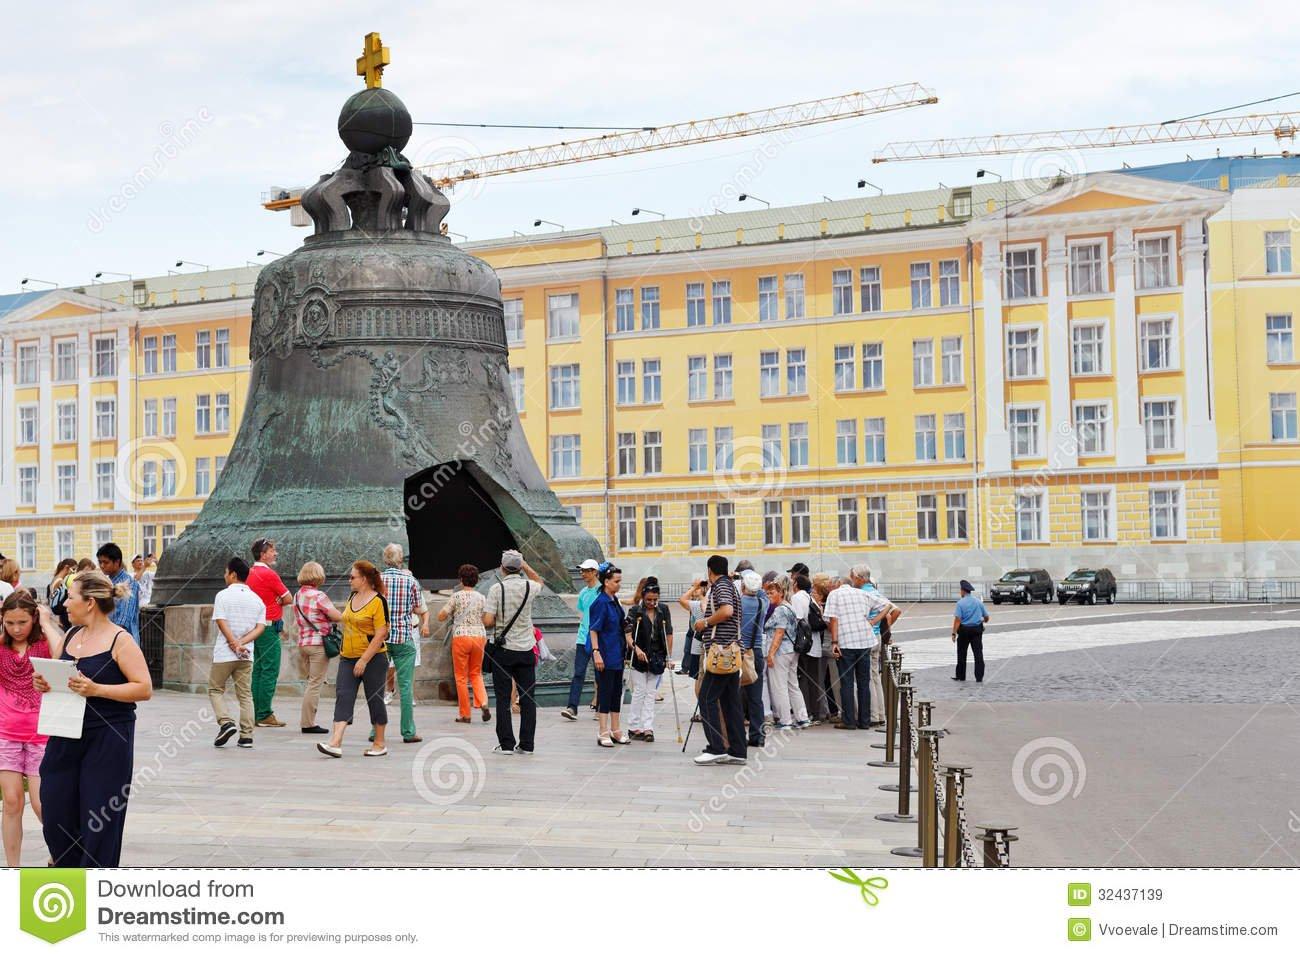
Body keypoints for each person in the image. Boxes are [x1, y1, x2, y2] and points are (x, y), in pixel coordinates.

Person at [34, 570, 152, 866]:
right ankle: (67, 869)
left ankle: (95, 888)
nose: (65, 605)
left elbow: (144, 688)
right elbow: (63, 676)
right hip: (65, 734)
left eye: (71, 598)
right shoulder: (72, 635)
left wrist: (97, 689)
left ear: (89, 603)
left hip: (108, 738)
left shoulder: (119, 640)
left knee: (99, 819)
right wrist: (45, 682)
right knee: (55, 811)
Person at [0, 592, 60, 866]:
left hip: (41, 734)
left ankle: (60, 853)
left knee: (42, 803)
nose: (15, 628)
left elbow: (65, 654)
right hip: (6, 733)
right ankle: (13, 868)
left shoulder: (45, 644)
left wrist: (47, 622)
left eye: (22, 622)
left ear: (33, 618)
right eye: (9, 622)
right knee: (11, 802)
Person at [317, 561, 389, 758]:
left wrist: (364, 660)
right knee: (343, 696)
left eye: (352, 577)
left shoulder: (378, 601)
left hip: (373, 658)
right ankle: (335, 742)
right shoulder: (352, 596)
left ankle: (379, 743)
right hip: (347, 657)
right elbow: (346, 620)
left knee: (374, 699)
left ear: (364, 579)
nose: (349, 580)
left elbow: (381, 633)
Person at [482, 550, 542, 755]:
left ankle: (506, 744)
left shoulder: (496, 589)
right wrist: (525, 564)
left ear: (502, 567)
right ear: (519, 567)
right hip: (526, 649)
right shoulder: (530, 586)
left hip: (503, 651)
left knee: (502, 698)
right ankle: (527, 744)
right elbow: (539, 580)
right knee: (528, 698)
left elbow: (489, 621)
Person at [825, 565, 894, 730]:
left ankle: (849, 721)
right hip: (865, 641)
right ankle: (864, 721)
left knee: (847, 683)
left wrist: (834, 643)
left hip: (846, 642)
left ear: (840, 584)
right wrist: (873, 621)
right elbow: (888, 606)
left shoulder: (834, 595)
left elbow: (833, 619)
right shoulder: (863, 593)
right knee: (864, 682)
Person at [692, 555, 746, 766]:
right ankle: (738, 750)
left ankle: (716, 748)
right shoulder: (731, 585)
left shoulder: (720, 586)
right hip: (731, 651)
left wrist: (704, 622)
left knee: (706, 698)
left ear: (710, 570)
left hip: (720, 651)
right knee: (731, 702)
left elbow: (727, 611)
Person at [208, 558, 266, 750]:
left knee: (216, 689)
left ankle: (226, 722)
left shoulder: (222, 596)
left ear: (233, 574)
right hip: (246, 655)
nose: (225, 576)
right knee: (245, 694)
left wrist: (233, 643)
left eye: (226, 572)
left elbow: (221, 621)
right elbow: (260, 628)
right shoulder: (257, 599)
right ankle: (246, 736)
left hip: (225, 654)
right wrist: (242, 643)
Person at [380, 543, 428, 744]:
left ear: (385, 559)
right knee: (406, 686)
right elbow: (418, 608)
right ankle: (408, 731)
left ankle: (376, 732)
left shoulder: (378, 580)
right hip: (404, 637)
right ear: (401, 560)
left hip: (381, 638)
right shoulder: (410, 580)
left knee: (376, 686)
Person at [436, 563, 491, 724]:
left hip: (461, 636)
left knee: (461, 677)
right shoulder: (481, 597)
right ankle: (484, 702)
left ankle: (465, 714)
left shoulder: (456, 596)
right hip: (479, 637)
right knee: (476, 673)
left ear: (461, 580)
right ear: (476, 580)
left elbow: (441, 615)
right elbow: (486, 619)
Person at [246, 538, 291, 728]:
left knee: (258, 670)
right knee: (270, 670)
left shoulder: (248, 573)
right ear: (263, 554)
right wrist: (277, 602)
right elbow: (288, 598)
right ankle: (264, 713)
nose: (275, 553)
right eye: (272, 551)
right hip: (269, 626)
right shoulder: (269, 574)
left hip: (253, 627)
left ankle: (256, 712)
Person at [292, 561, 340, 734]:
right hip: (318, 644)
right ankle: (308, 723)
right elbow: (336, 616)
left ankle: (308, 720)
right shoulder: (319, 596)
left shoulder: (297, 595)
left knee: (310, 683)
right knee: (315, 684)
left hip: (303, 643)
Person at [625, 576, 673, 742]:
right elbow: (628, 635)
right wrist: (636, 649)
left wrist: (668, 656)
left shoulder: (664, 610)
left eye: (655, 600)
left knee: (651, 692)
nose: (652, 603)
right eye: (648, 600)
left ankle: (648, 727)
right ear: (643, 598)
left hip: (656, 656)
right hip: (639, 656)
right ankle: (633, 726)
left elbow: (669, 633)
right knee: (640, 690)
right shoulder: (635, 611)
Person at [762, 574, 810, 731]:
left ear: (781, 592)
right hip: (791, 651)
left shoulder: (780, 610)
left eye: (772, 593)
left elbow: (779, 633)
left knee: (779, 686)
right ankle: (802, 718)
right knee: (792, 685)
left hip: (781, 652)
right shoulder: (789, 606)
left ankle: (785, 720)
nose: (769, 596)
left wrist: (770, 654)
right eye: (768, 593)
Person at [588, 564, 629, 747]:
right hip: (605, 654)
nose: (619, 584)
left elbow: (621, 624)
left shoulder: (615, 600)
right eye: (616, 581)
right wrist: (596, 653)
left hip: (617, 654)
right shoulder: (600, 603)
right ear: (606, 582)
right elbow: (594, 630)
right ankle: (603, 731)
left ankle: (616, 728)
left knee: (616, 692)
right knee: (605, 692)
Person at [561, 559, 602, 720]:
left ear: (594, 572)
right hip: (582, 638)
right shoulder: (584, 592)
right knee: (578, 673)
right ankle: (572, 707)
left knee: (600, 675)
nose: (582, 573)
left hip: (598, 639)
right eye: (582, 570)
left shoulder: (602, 592)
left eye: (585, 570)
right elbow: (583, 614)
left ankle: (601, 708)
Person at [737, 570, 769, 746]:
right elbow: (763, 592)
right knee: (756, 697)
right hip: (756, 652)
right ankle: (758, 735)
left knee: (735, 695)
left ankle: (737, 734)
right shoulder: (762, 603)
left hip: (740, 652)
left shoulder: (738, 602)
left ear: (743, 586)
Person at [95, 543, 141, 644]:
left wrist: (110, 640)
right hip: (107, 638)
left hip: (124, 640)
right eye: (100, 562)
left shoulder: (129, 583)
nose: (102, 566)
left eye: (105, 562)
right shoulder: (106, 582)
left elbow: (124, 619)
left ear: (117, 562)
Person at [811, 575, 841, 720]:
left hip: (829, 646)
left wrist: (822, 616)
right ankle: (830, 710)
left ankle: (837, 711)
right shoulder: (828, 601)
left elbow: (830, 624)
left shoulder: (830, 602)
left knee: (832, 680)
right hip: (826, 645)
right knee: (827, 680)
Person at [952, 579, 990, 683]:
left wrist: (954, 633)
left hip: (964, 631)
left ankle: (961, 676)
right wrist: (981, 620)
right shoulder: (978, 602)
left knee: (962, 653)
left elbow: (957, 620)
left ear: (963, 591)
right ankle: (979, 677)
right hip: (977, 631)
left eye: (960, 590)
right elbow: (986, 617)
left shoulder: (960, 603)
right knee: (978, 654)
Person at [676, 579, 709, 679]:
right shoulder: (714, 603)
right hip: (709, 642)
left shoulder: (697, 605)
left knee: (698, 676)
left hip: (698, 642)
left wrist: (694, 587)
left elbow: (681, 600)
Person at [46, 559, 77, 631]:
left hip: (61, 614)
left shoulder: (57, 578)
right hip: (63, 614)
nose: (74, 572)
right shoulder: (60, 581)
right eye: (73, 569)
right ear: (66, 567)